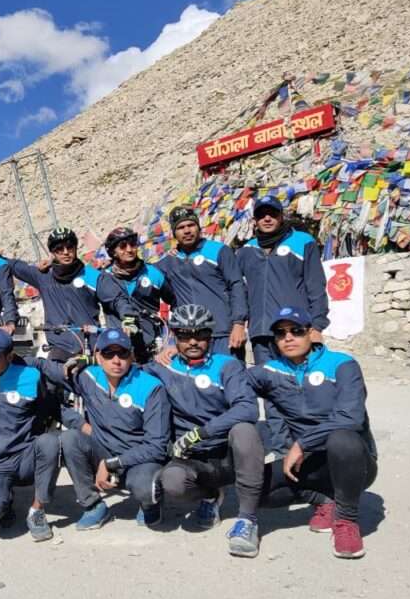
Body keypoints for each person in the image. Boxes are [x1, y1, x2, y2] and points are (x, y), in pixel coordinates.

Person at [248, 307, 378, 559]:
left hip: (353, 462)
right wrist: (178, 355)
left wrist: (302, 443)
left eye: (296, 330)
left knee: (342, 438)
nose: (288, 338)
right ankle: (325, 501)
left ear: (311, 333)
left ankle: (346, 520)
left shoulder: (342, 364)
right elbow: (229, 380)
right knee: (252, 490)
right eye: (280, 333)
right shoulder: (271, 370)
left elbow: (351, 417)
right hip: (307, 464)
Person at [144, 305, 265, 557]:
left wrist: (203, 432)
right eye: (184, 335)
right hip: (191, 457)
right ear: (174, 337)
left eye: (200, 334)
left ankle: (247, 519)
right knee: (174, 483)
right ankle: (210, 496)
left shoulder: (228, 365)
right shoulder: (162, 367)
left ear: (210, 336)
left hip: (225, 452)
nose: (193, 341)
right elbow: (124, 375)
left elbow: (248, 408)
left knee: (245, 430)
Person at [49, 329, 169, 530]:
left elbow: (157, 446)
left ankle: (149, 505)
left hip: (139, 458)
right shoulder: (87, 376)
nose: (116, 360)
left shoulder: (151, 387)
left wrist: (112, 463)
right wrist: (80, 424)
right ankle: (93, 506)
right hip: (103, 448)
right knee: (70, 438)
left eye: (122, 354)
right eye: (108, 354)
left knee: (145, 488)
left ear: (131, 355)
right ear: (98, 357)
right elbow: (43, 373)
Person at [0, 328, 61, 542]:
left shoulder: (32, 377)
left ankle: (37, 511)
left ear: (9, 356)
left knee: (51, 442)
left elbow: (47, 408)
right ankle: (4, 504)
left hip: (26, 455)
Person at [10, 227, 137, 361]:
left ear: (76, 248)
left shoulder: (92, 276)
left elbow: (118, 299)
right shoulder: (43, 276)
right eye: (59, 249)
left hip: (91, 349)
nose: (66, 252)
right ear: (52, 252)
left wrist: (128, 318)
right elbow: (11, 265)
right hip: (59, 351)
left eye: (70, 247)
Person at [237, 197, 329, 365]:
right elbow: (233, 287)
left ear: (281, 216)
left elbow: (316, 286)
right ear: (255, 220)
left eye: (272, 214)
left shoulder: (302, 241)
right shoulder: (246, 250)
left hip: (294, 330)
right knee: (267, 383)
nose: (267, 218)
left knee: (297, 383)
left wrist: (316, 326)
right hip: (261, 332)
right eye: (261, 215)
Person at [155, 206, 247, 358]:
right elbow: (143, 275)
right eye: (180, 227)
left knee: (231, 377)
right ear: (174, 233)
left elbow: (237, 286)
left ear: (199, 227)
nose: (187, 231)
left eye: (191, 225)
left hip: (223, 333)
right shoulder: (168, 262)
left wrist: (239, 323)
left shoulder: (219, 251)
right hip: (190, 339)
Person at [103, 227, 173, 363]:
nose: (129, 249)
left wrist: (173, 337)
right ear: (113, 252)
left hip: (152, 350)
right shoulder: (104, 278)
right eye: (122, 246)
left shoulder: (153, 273)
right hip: (119, 352)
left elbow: (175, 302)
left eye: (133, 244)